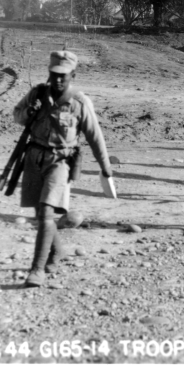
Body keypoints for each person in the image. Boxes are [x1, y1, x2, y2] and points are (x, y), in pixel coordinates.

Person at [12, 51, 113, 288]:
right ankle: (57, 252)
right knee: (39, 215)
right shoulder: (37, 93)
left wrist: (105, 167)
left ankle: (37, 269)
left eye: (63, 76)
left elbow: (94, 136)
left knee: (46, 212)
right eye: (54, 74)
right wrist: (30, 112)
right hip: (34, 158)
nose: (58, 80)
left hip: (60, 162)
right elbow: (17, 115)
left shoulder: (79, 102)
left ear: (72, 75)